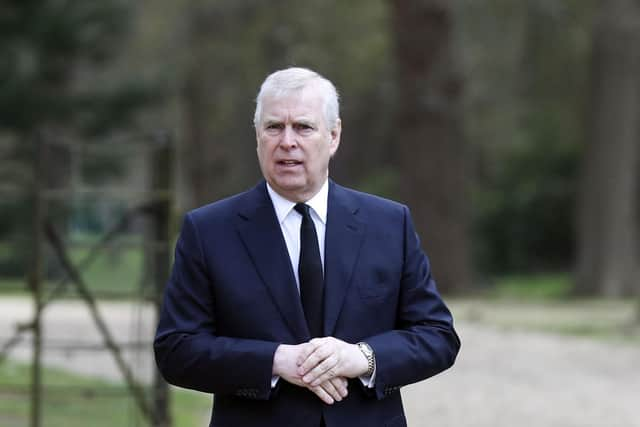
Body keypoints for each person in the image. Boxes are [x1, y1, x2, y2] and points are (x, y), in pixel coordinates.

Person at [154, 67, 460, 427]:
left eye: (303, 127)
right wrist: (276, 361)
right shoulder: (208, 231)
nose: (287, 141)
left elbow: (436, 336)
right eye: (273, 127)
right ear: (257, 137)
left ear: (333, 136)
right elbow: (176, 349)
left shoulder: (390, 224)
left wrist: (361, 357)